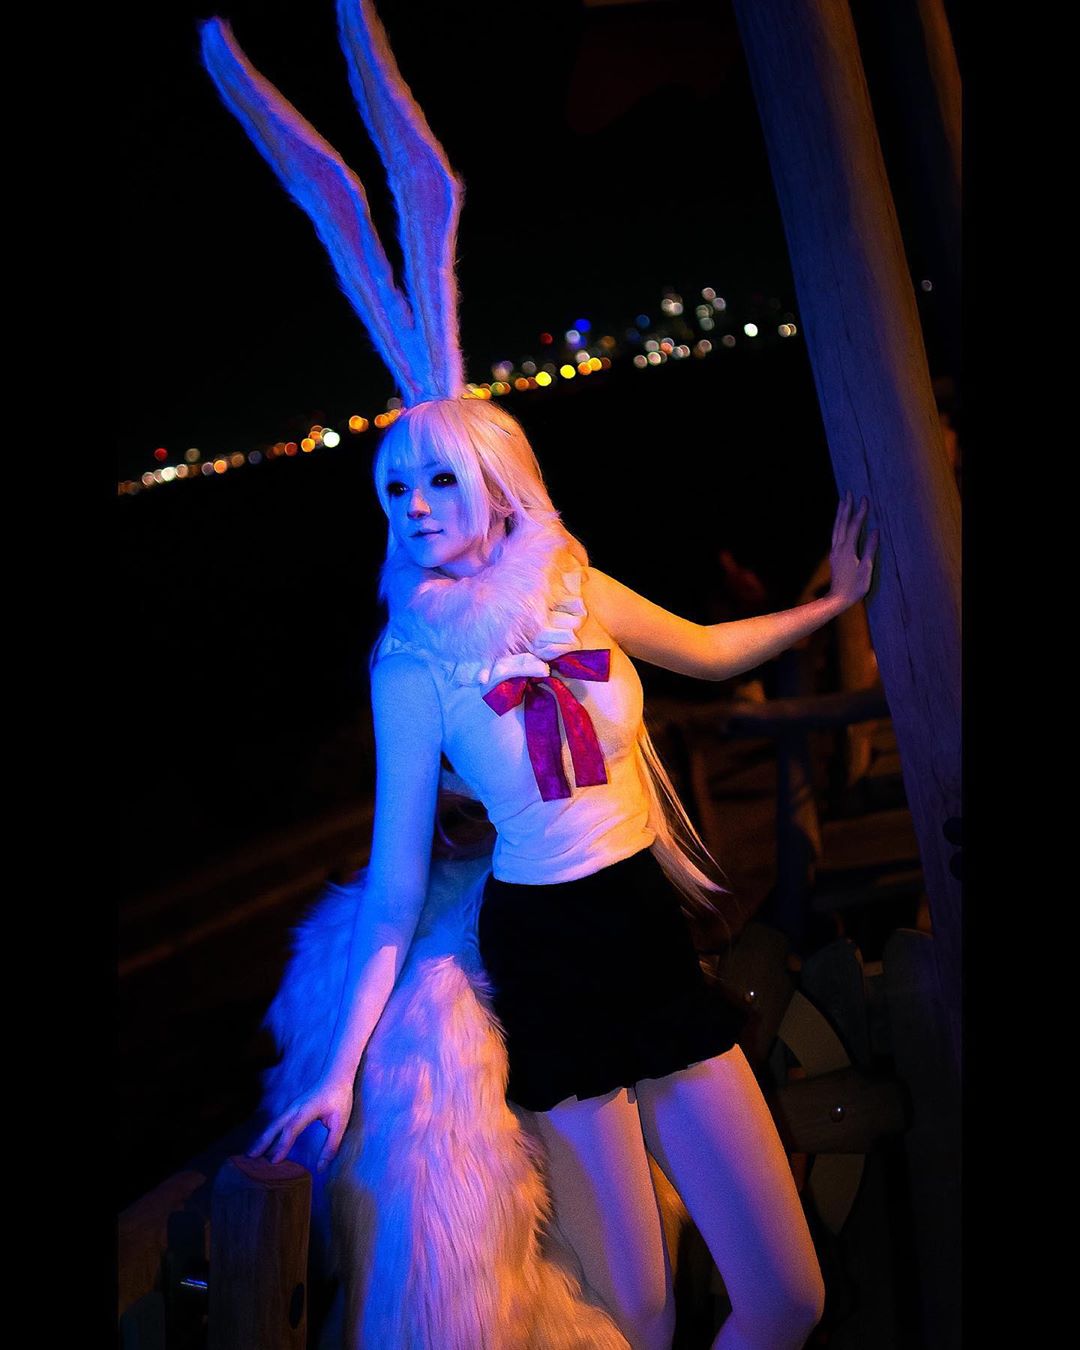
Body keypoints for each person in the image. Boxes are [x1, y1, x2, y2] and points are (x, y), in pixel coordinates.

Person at [200, 6, 878, 1345]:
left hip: (646, 936)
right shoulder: (410, 663)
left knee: (786, 1296)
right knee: (635, 1307)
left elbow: (700, 649)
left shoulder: (568, 580)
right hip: (552, 956)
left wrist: (829, 604)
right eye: (395, 489)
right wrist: (333, 1071)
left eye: (438, 480)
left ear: (495, 479)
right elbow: (394, 881)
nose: (414, 506)